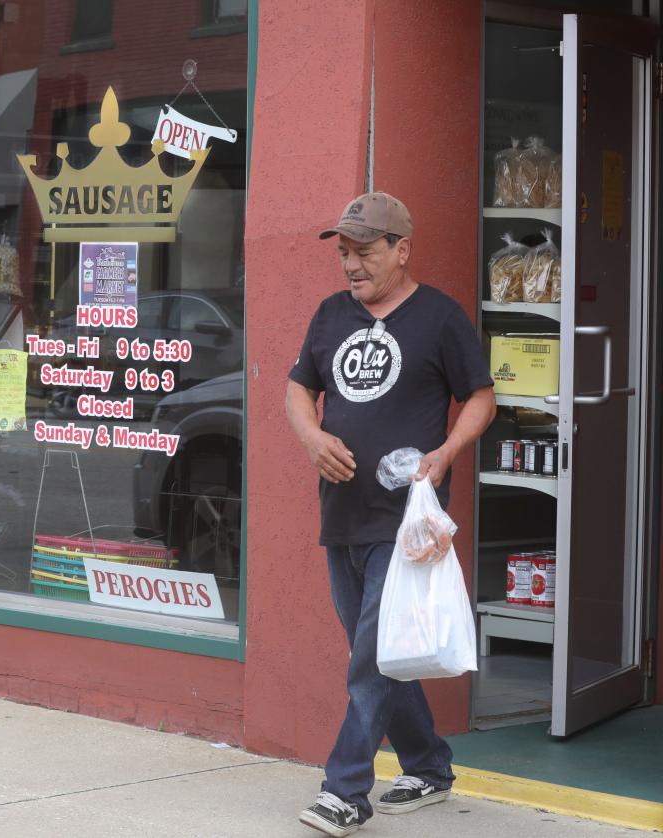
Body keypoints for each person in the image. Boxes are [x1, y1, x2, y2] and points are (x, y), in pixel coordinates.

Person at [285, 192, 496, 837]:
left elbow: (481, 396)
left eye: (365, 252)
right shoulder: (330, 315)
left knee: (372, 654)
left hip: (407, 523)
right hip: (343, 512)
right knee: (376, 648)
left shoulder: (439, 318)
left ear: (402, 250)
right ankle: (429, 767)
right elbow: (298, 386)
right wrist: (312, 437)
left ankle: (346, 789)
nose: (351, 265)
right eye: (344, 253)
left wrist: (447, 451)